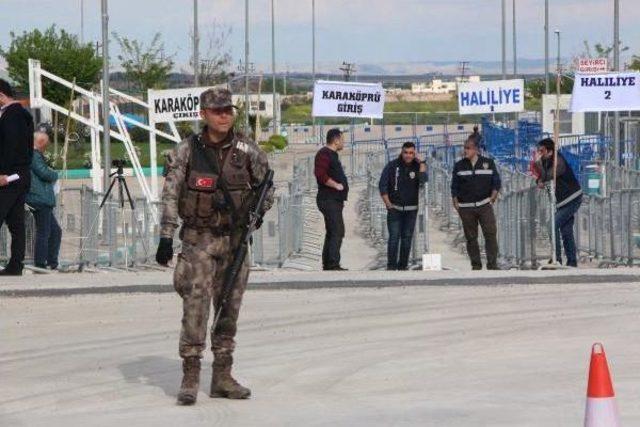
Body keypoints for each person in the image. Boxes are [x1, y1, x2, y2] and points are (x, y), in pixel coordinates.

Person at [155, 88, 274, 405]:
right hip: (199, 240)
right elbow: (170, 194)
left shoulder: (247, 150)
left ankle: (222, 375)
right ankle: (190, 375)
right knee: (195, 306)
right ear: (204, 114)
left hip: (235, 242)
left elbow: (266, 188)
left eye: (228, 110)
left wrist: (255, 217)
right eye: (217, 111)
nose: (224, 116)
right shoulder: (186, 152)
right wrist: (166, 236)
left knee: (228, 308)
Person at [451, 134, 501, 270]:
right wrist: (455, 202)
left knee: (490, 234)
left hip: (484, 205)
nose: (465, 151)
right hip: (466, 207)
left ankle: (492, 264)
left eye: (468, 148)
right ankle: (476, 265)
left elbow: (496, 182)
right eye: (464, 148)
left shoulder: (488, 163)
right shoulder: (459, 166)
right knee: (471, 238)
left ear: (476, 150)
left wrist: (493, 196)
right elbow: (454, 186)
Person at [0, 79, 34, 276]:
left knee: (15, 223)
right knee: (15, 223)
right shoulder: (18, 114)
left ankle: (15, 264)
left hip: (10, 177)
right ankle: (15, 265)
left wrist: (3, 174)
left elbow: (11, 147)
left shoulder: (13, 116)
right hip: (18, 176)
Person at [378, 141, 428, 270]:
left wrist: (422, 163)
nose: (408, 155)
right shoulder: (392, 166)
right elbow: (382, 186)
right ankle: (391, 267)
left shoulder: (418, 166)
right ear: (402, 152)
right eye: (406, 152)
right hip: (395, 209)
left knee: (407, 239)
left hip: (411, 211)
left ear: (414, 153)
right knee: (394, 238)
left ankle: (403, 266)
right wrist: (389, 205)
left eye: (411, 153)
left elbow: (423, 180)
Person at [534, 137, 582, 267]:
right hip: (561, 202)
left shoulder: (558, 161)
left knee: (552, 225)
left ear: (549, 151)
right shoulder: (546, 161)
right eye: (539, 150)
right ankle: (572, 261)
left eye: (542, 150)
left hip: (572, 198)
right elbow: (541, 177)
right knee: (566, 231)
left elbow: (549, 175)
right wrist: (538, 180)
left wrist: (538, 165)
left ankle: (557, 258)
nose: (539, 152)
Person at [314, 128, 349, 271]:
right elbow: (320, 175)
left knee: (333, 231)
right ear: (336, 140)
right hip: (328, 199)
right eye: (342, 139)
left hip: (335, 200)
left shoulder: (333, 155)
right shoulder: (324, 154)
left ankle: (328, 263)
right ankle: (333, 263)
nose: (343, 142)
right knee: (337, 230)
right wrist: (336, 185)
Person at [26, 129, 61, 270]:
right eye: (45, 145)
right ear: (40, 143)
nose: (46, 148)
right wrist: (55, 174)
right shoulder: (34, 155)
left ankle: (51, 261)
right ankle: (41, 262)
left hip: (41, 198)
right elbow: (43, 173)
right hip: (39, 198)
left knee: (54, 231)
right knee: (44, 231)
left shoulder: (33, 154)